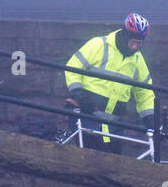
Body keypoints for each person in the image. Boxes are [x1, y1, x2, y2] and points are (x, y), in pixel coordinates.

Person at [64, 13, 155, 154]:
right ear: (124, 35)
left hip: (114, 124)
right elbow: (73, 67)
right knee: (93, 163)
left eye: (139, 43)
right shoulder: (99, 44)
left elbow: (144, 92)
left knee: (114, 167)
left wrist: (150, 119)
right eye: (132, 42)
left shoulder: (138, 60)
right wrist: (79, 94)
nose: (134, 47)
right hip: (88, 115)